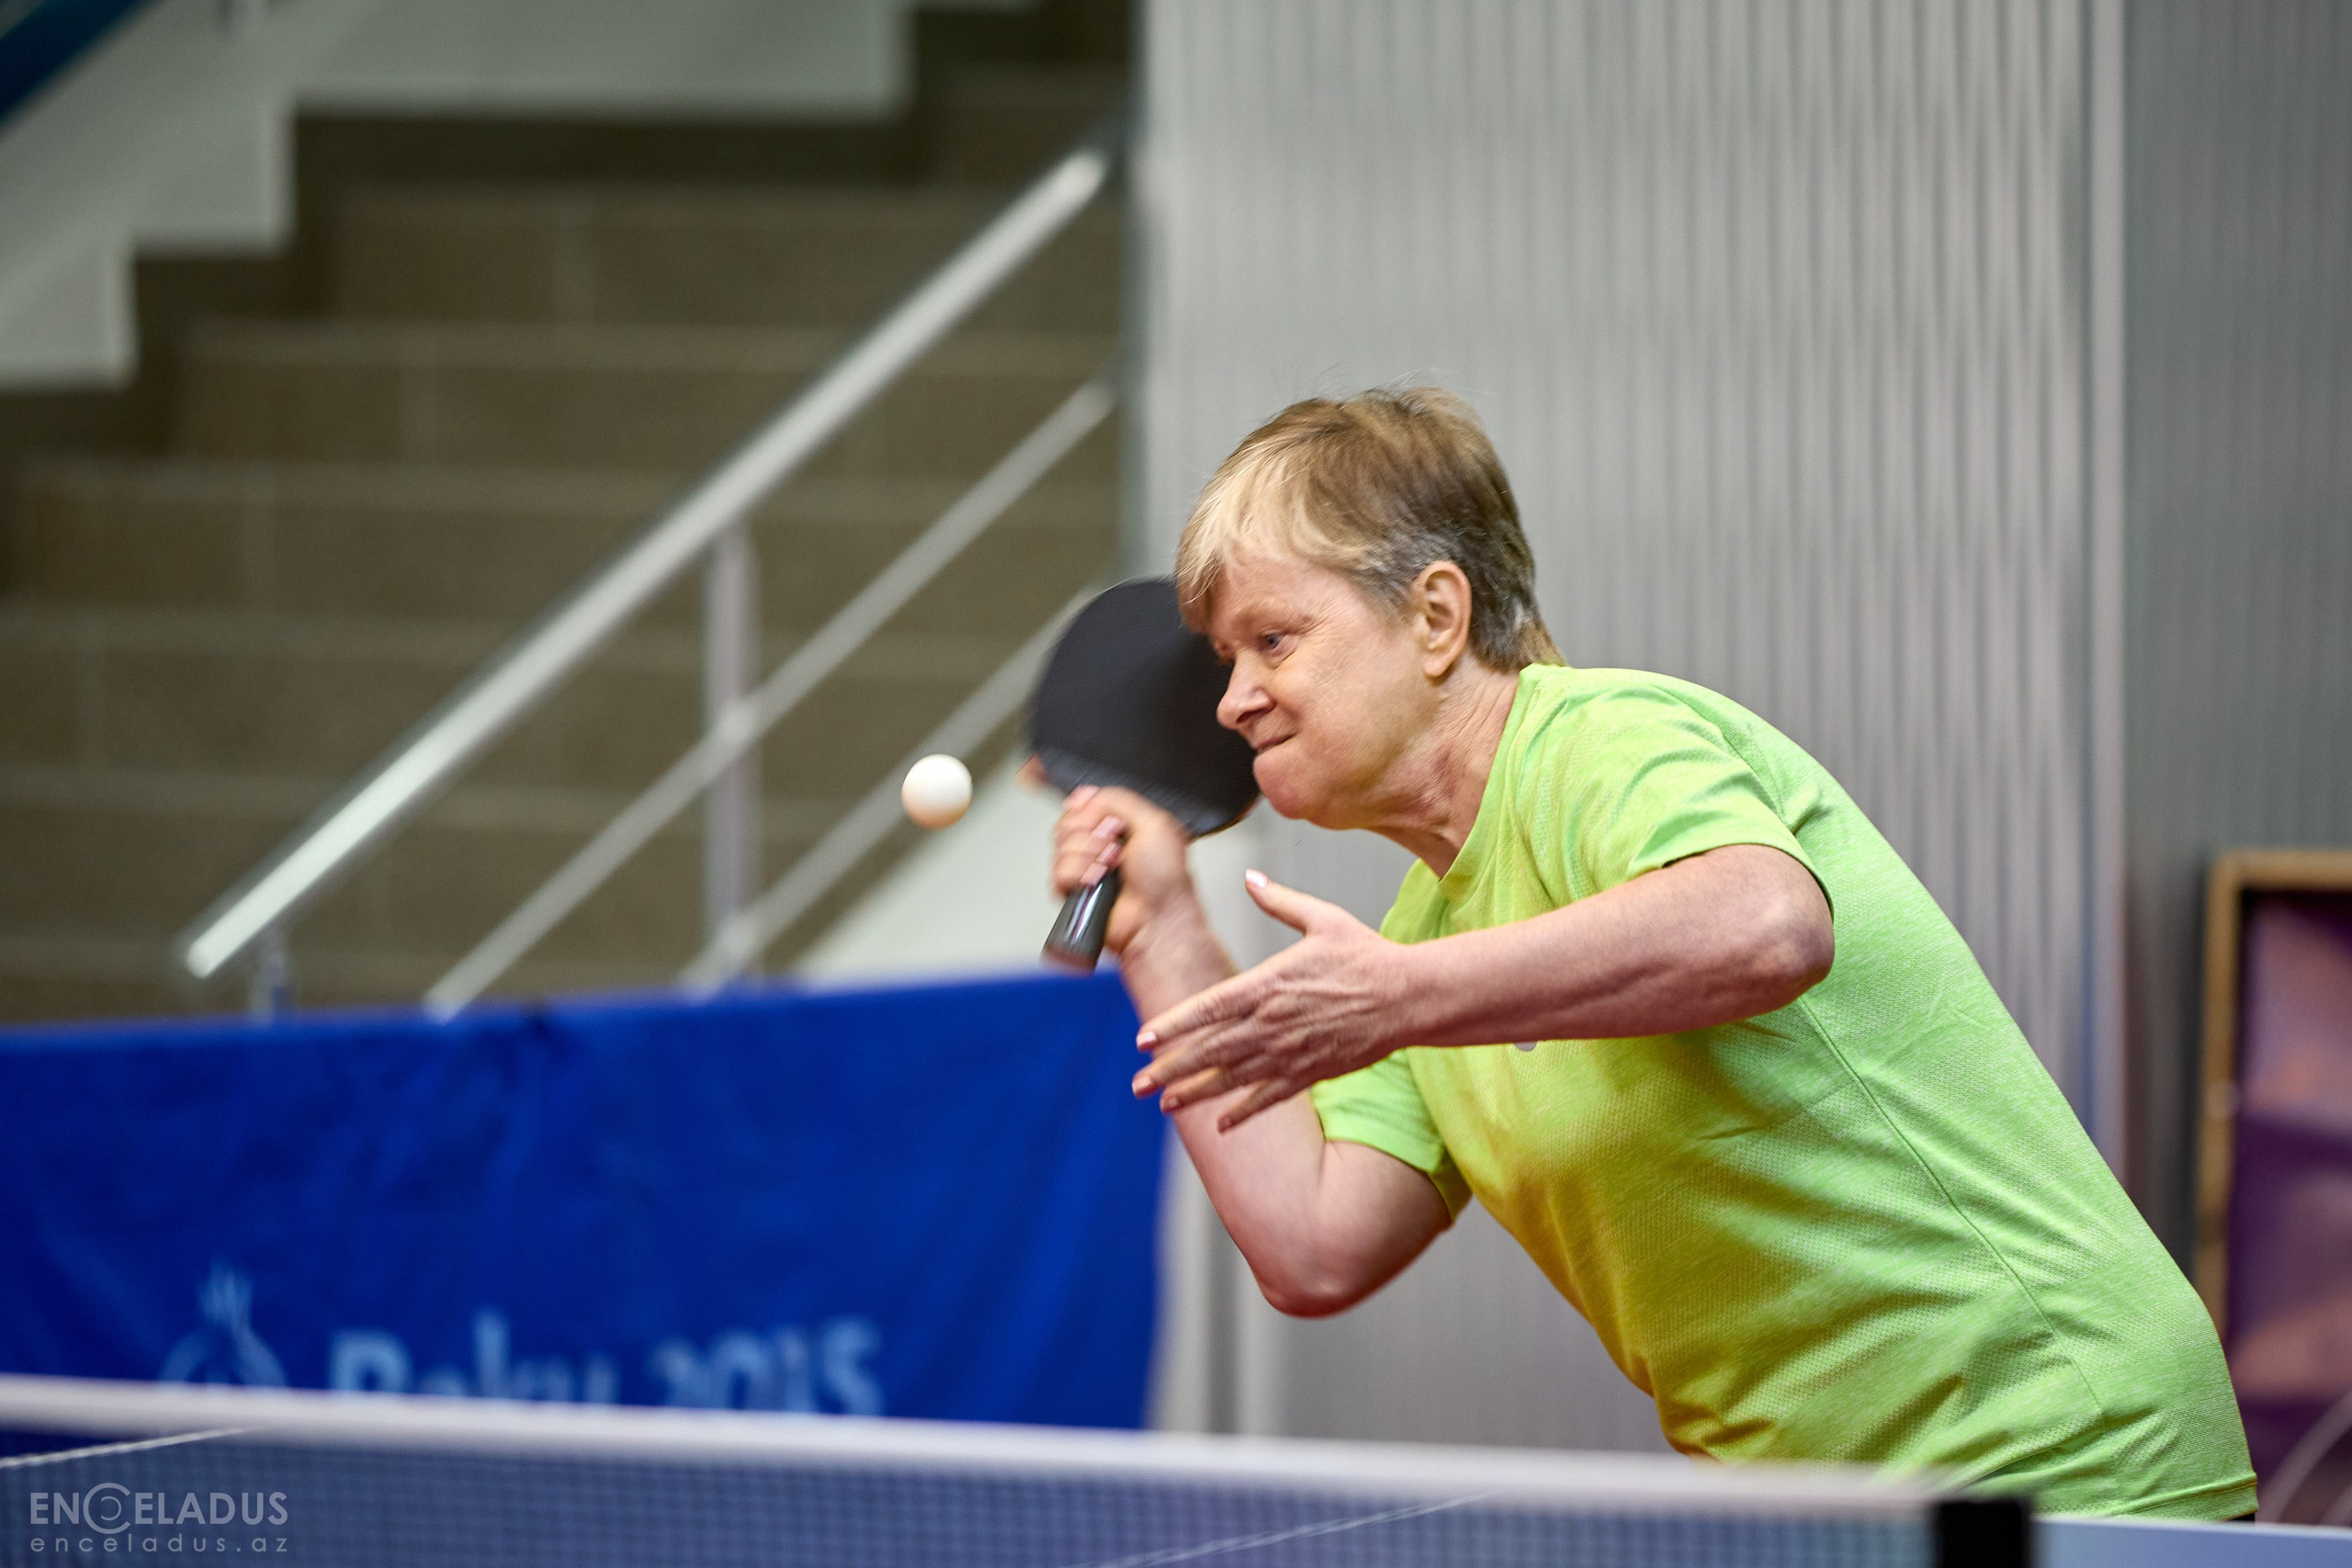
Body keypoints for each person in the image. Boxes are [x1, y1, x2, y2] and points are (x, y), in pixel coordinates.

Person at [1047, 388, 2255, 1518]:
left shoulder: (1601, 742)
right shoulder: (1418, 943)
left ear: (1434, 616)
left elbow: (1766, 923)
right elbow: (1316, 1244)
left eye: (1272, 640)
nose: (1233, 701)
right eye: (1224, 659)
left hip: (2060, 1454)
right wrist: (1164, 932)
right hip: (1818, 1515)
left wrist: (1400, 1000)